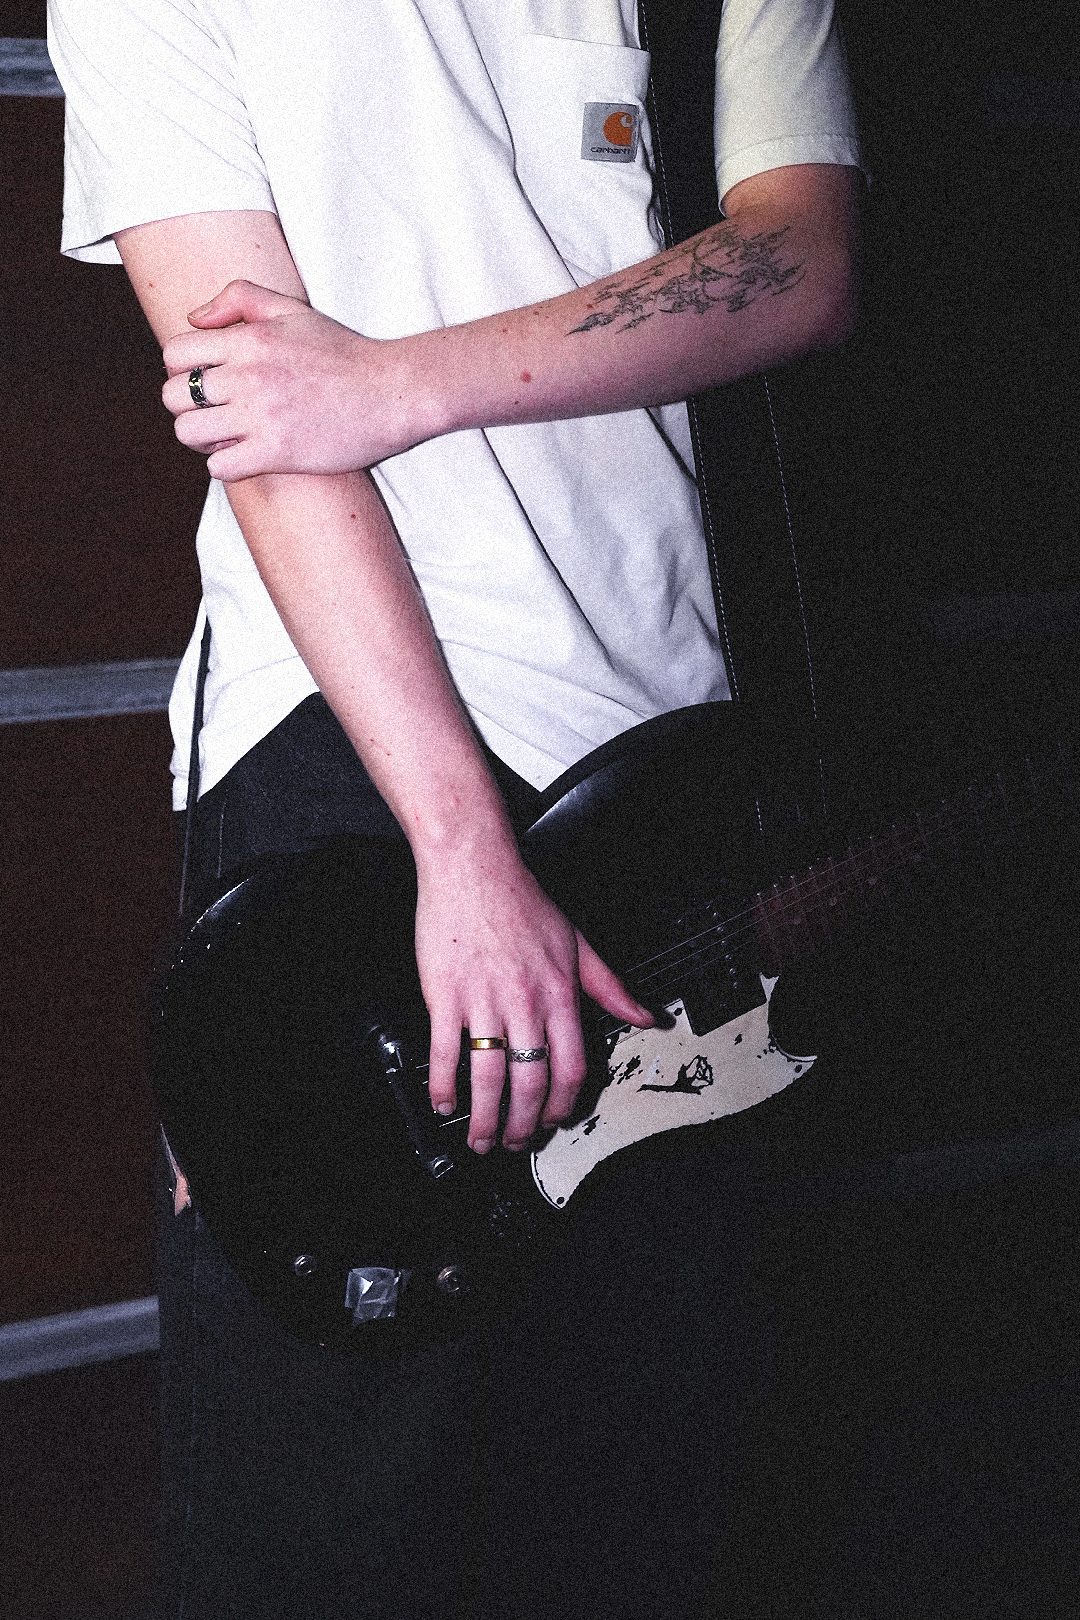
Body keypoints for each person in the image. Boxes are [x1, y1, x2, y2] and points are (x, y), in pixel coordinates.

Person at [48, 2, 866, 1615]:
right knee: (331, 1503)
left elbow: (808, 261)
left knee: (644, 1474)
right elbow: (254, 404)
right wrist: (461, 847)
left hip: (675, 747)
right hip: (353, 748)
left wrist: (395, 385)